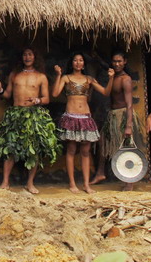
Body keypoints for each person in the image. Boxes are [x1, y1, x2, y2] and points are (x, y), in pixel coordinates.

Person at [0, 46, 61, 194]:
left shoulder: (41, 77)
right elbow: (7, 95)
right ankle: (5, 181)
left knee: (34, 151)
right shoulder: (15, 75)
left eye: (30, 54)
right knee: (10, 148)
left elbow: (46, 98)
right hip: (15, 114)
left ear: (35, 57)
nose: (27, 57)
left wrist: (37, 100)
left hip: (33, 115)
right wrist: (0, 90)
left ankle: (30, 183)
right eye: (24, 55)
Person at [51, 52, 114, 194]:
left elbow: (105, 92)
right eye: (75, 60)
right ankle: (72, 183)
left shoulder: (89, 79)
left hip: (85, 118)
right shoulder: (66, 78)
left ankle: (86, 185)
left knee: (85, 152)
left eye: (81, 60)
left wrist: (111, 78)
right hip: (71, 117)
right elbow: (55, 94)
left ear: (84, 64)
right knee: (71, 150)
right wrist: (58, 75)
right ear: (72, 63)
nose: (78, 63)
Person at [90, 51, 143, 191]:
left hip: (123, 115)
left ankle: (130, 181)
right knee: (102, 141)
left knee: (126, 147)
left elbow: (130, 104)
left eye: (119, 61)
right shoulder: (113, 77)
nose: (117, 64)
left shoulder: (126, 79)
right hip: (112, 115)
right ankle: (101, 173)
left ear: (125, 61)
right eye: (114, 61)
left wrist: (129, 125)